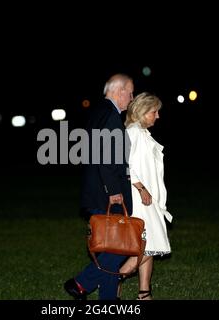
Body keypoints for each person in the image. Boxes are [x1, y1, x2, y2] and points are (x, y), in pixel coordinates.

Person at [64, 73, 134, 300]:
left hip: (94, 191)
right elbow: (105, 158)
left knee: (112, 249)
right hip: (105, 195)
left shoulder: (98, 112)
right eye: (130, 92)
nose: (132, 98)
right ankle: (80, 283)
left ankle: (108, 300)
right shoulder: (110, 116)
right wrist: (114, 191)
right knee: (116, 249)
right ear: (119, 90)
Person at [117, 92, 173, 300]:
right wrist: (141, 188)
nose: (157, 116)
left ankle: (144, 293)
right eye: (154, 112)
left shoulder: (142, 133)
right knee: (145, 248)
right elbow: (124, 166)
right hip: (140, 199)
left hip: (149, 200)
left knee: (149, 245)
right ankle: (113, 279)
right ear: (141, 112)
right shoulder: (132, 133)